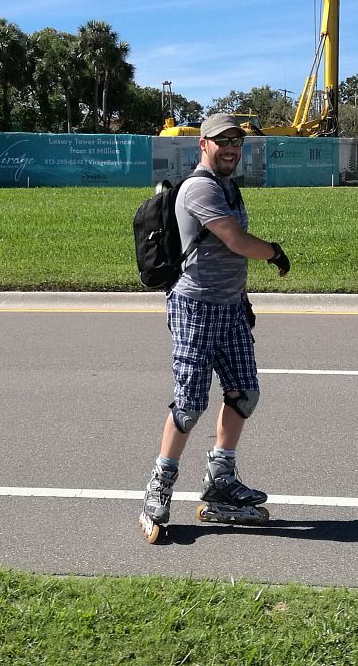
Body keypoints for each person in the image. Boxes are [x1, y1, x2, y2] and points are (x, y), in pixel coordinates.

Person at [139, 112, 290, 540]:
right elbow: (235, 241)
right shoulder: (200, 188)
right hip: (195, 307)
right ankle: (159, 487)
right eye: (222, 141)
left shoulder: (228, 187)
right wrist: (275, 252)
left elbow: (228, 256)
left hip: (230, 306)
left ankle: (220, 479)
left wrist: (242, 298)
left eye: (236, 142)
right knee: (189, 404)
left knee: (244, 393)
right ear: (202, 144)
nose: (230, 149)